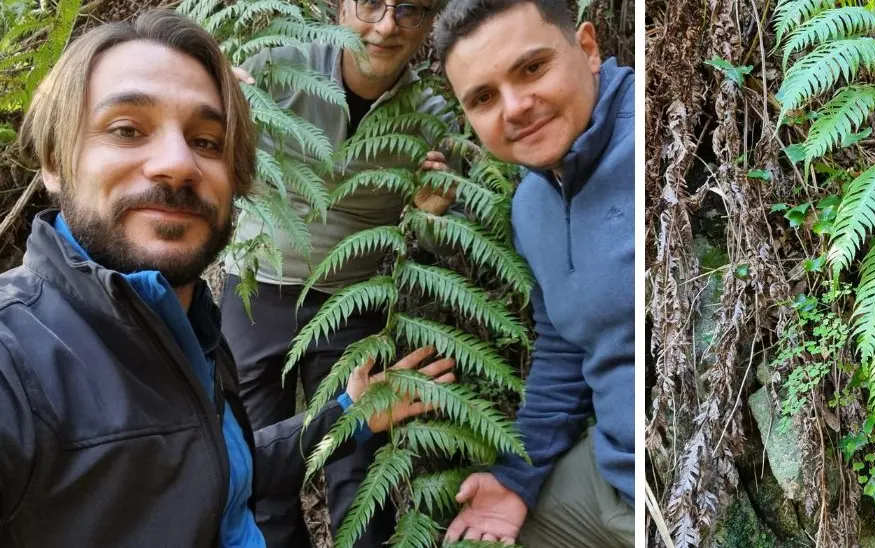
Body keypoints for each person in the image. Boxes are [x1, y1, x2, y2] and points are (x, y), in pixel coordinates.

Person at [0, 10, 453, 547]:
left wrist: (348, 414)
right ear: (54, 159)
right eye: (127, 129)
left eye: (207, 140)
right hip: (261, 289)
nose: (177, 162)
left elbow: (221, 463)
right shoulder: (18, 358)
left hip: (350, 297)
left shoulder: (191, 328)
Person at [218, 0, 458, 545]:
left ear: (429, 24)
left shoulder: (431, 118)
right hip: (256, 288)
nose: (387, 25)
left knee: (358, 463)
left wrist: (427, 214)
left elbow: (431, 243)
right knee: (258, 457)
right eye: (371, 3)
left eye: (410, 10)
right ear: (338, 7)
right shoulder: (277, 69)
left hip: (353, 303)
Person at [433, 1, 635, 546]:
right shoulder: (531, 203)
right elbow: (567, 350)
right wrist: (516, 478)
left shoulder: (662, 139)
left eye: (532, 68)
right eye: (483, 98)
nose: (516, 107)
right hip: (611, 473)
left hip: (686, 489)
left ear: (588, 49)